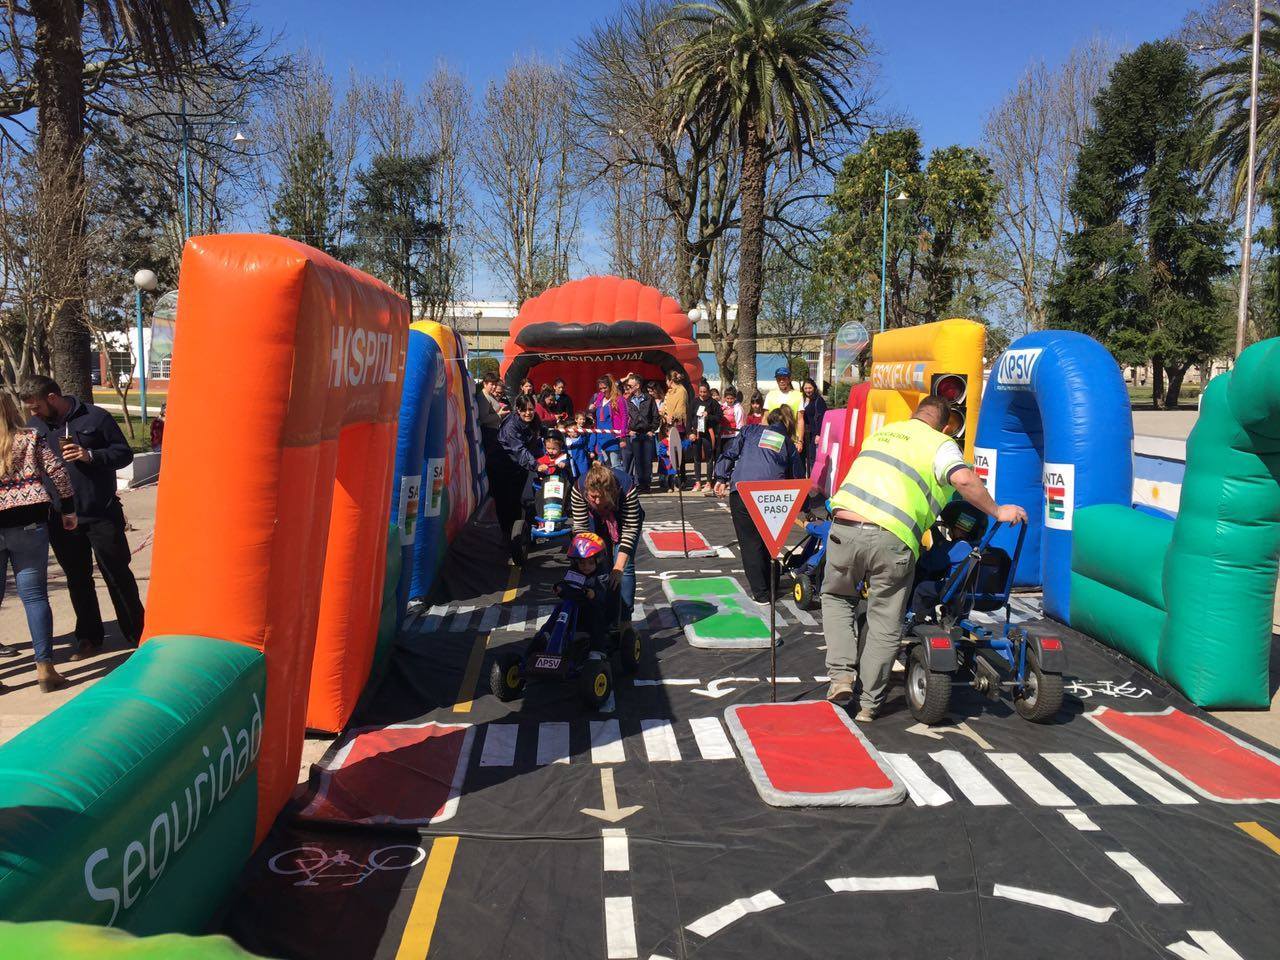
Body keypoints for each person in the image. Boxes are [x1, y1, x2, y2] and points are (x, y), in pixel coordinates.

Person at [821, 396, 1029, 720]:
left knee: (837, 597)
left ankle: (841, 678)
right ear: (945, 427)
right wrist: (997, 510)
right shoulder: (940, 444)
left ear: (914, 415)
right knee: (885, 619)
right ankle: (869, 705)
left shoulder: (882, 434)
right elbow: (962, 479)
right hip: (892, 537)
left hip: (844, 527)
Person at [21, 376, 145, 656]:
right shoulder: (35, 427)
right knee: (77, 579)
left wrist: (90, 455)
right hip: (61, 518)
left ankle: (137, 632)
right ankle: (89, 636)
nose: (33, 413)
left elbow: (123, 454)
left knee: (117, 573)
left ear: (52, 397)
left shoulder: (96, 417)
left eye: (36, 406)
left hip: (101, 513)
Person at [0, 392, 78, 690]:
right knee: (34, 597)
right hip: (29, 524)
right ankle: (45, 668)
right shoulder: (30, 437)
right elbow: (58, 472)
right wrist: (68, 509)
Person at [713, 405, 801, 601]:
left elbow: (730, 453)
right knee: (769, 542)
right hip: (771, 496)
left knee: (750, 543)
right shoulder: (787, 443)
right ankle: (771, 583)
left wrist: (721, 477)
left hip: (742, 492)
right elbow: (796, 478)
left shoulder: (749, 430)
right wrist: (804, 507)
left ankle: (761, 593)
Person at [570, 462, 643, 625]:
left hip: (624, 523)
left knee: (623, 569)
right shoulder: (579, 488)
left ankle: (625, 621)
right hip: (595, 522)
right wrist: (586, 560)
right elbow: (581, 529)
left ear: (611, 492)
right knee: (601, 566)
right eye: (592, 497)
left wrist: (618, 568)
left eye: (600, 497)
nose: (596, 501)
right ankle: (602, 615)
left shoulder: (626, 487)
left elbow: (630, 529)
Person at [496, 394, 546, 562]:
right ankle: (509, 538)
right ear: (517, 409)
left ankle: (526, 534)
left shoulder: (534, 420)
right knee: (508, 502)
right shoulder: (511, 425)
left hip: (521, 465)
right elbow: (519, 450)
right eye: (524, 410)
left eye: (531, 409)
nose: (528, 413)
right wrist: (536, 465)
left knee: (525, 499)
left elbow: (541, 432)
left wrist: (554, 437)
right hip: (504, 465)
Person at [554, 531, 613, 652]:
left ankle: (597, 651)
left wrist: (593, 594)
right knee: (559, 610)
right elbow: (567, 584)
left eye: (590, 563)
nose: (586, 566)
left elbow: (603, 594)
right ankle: (548, 636)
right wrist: (560, 589)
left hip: (593, 608)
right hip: (574, 607)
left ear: (598, 560)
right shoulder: (574, 571)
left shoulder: (601, 575)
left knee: (596, 616)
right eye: (582, 563)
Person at [624, 374, 660, 493]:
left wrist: (652, 430)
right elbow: (625, 417)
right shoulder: (628, 401)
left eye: (630, 386)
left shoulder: (649, 399)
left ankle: (647, 484)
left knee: (647, 460)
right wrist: (628, 430)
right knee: (638, 460)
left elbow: (656, 416)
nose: (628, 388)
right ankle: (640, 484)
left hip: (647, 433)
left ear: (638, 386)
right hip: (635, 434)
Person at [687, 380, 722, 493]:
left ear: (708, 392)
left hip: (708, 432)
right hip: (696, 432)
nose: (702, 394)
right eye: (701, 392)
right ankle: (698, 482)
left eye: (704, 392)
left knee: (709, 458)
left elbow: (719, 417)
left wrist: (709, 416)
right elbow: (689, 419)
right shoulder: (694, 402)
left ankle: (708, 482)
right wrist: (690, 433)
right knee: (696, 458)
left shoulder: (713, 403)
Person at [535, 431, 571, 534]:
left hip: (560, 486)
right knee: (538, 495)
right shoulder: (542, 459)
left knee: (566, 493)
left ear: (560, 447)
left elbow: (566, 462)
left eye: (554, 449)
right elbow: (537, 466)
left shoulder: (563, 457)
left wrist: (563, 464)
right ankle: (542, 520)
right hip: (546, 487)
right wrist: (539, 468)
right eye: (548, 448)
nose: (551, 451)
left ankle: (560, 518)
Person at [591, 374, 629, 470]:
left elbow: (625, 417)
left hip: (613, 437)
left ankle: (620, 480)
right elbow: (596, 415)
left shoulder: (619, 399)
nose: (603, 390)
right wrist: (592, 409)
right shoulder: (599, 398)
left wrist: (623, 437)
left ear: (610, 386)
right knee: (605, 467)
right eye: (601, 388)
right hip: (601, 437)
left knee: (616, 465)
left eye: (605, 388)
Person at [764, 367, 805, 452]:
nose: (781, 381)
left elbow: (800, 420)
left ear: (789, 379)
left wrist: (800, 441)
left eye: (784, 378)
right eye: (779, 379)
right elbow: (765, 418)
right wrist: (763, 437)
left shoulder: (798, 395)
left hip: (791, 437)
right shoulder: (770, 395)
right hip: (773, 437)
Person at [800, 378, 828, 474]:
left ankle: (813, 478)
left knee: (812, 458)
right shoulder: (802, 399)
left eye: (810, 388)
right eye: (806, 388)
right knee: (802, 457)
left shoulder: (818, 400)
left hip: (813, 434)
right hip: (803, 433)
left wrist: (818, 434)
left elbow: (822, 417)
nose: (808, 390)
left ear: (814, 388)